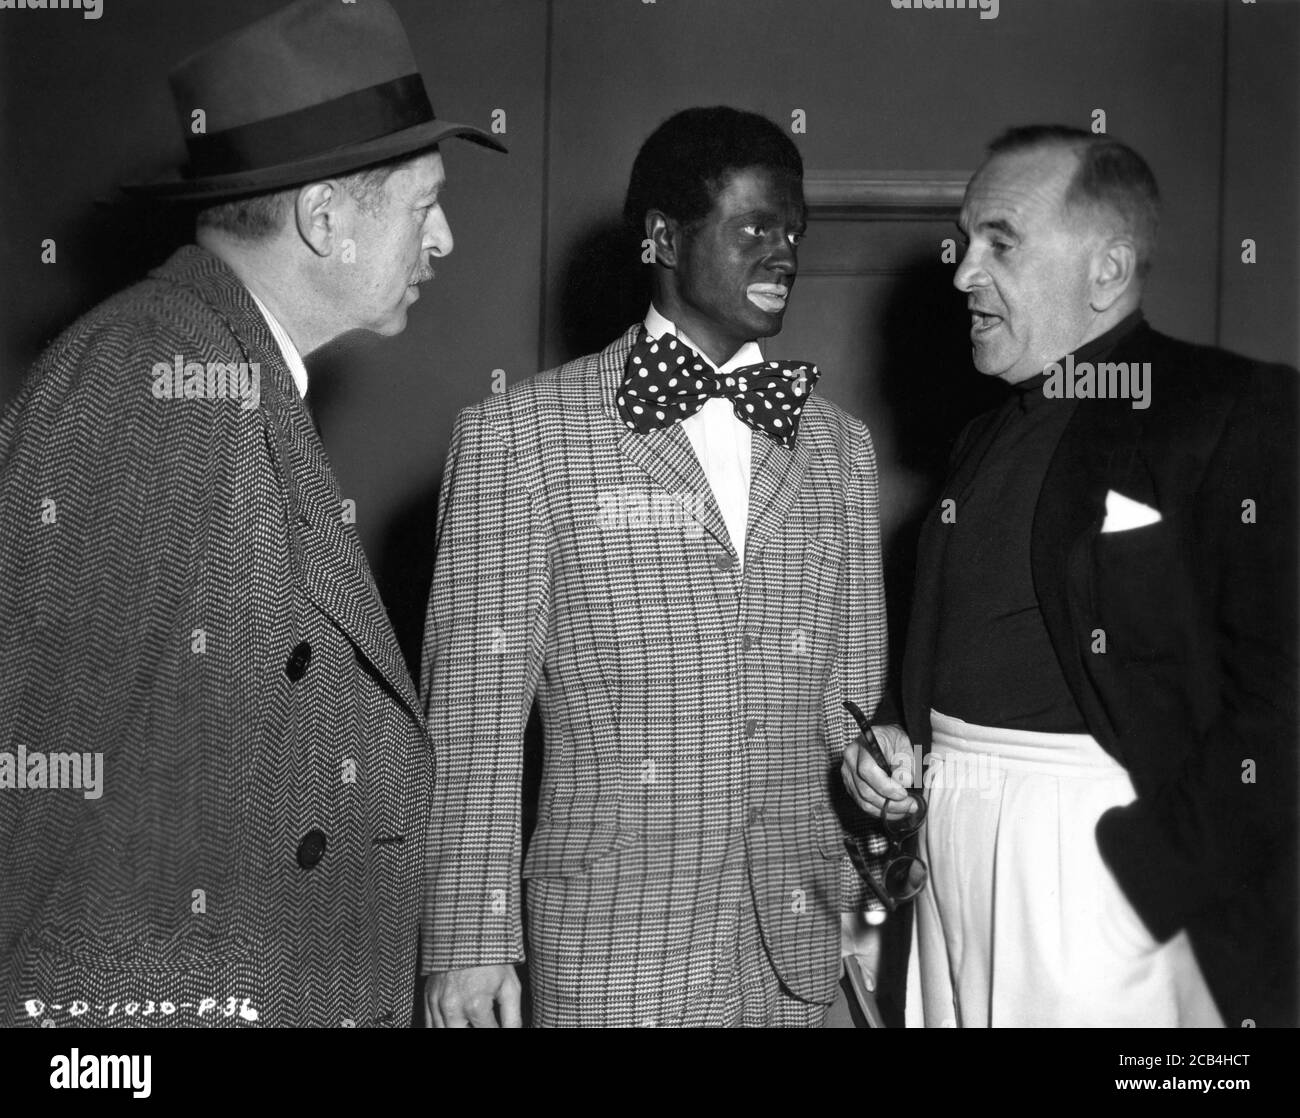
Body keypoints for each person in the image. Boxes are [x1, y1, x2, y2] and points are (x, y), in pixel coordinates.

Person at [0, 0, 504, 1028]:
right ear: (326, 218)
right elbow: (29, 766)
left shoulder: (228, 368)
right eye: (425, 205)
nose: (444, 237)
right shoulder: (155, 375)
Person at [421, 106, 889, 1028]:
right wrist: (468, 944)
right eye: (756, 227)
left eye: (795, 231)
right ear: (664, 238)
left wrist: (878, 786)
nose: (785, 252)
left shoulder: (839, 449)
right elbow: (474, 716)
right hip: (613, 955)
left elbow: (851, 698)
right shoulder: (522, 436)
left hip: (797, 956)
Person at [842, 125, 1298, 1028]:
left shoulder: (1231, 407)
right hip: (950, 853)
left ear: (1107, 269)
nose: (964, 272)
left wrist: (1152, 883)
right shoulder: (982, 435)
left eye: (999, 243)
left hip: (1095, 868)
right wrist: (894, 741)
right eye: (966, 241)